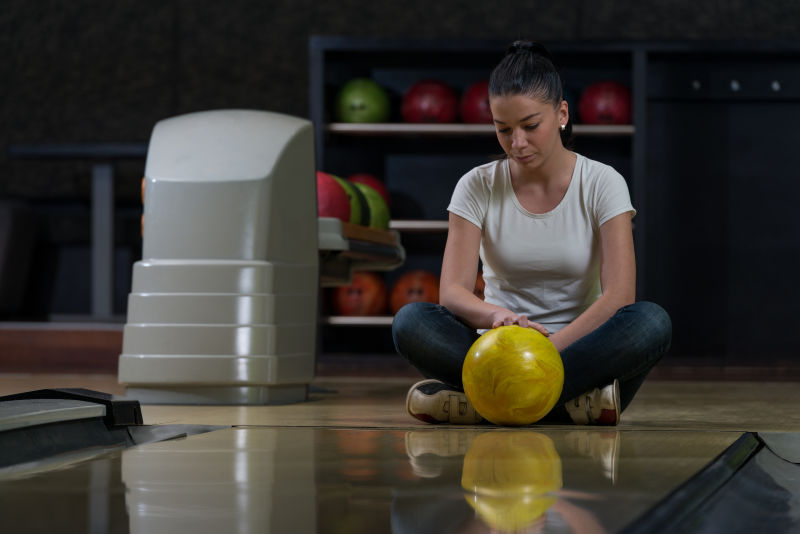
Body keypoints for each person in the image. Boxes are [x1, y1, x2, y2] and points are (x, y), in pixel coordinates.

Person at [391, 40, 672, 426]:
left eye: (530, 126)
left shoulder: (603, 182)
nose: (516, 143)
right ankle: (569, 406)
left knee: (651, 323)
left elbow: (619, 296)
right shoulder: (476, 185)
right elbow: (452, 292)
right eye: (503, 129)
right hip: (497, 347)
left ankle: (484, 404)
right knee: (410, 322)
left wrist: (542, 355)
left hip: (578, 347)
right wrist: (496, 316)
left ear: (561, 114)